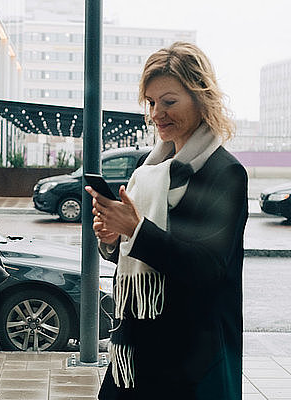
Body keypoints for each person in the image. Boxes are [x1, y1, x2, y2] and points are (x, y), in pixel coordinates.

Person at [86, 42, 248, 399]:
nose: (157, 112)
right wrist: (114, 239)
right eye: (152, 102)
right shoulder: (149, 169)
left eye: (169, 101)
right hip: (136, 347)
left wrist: (136, 229)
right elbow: (134, 257)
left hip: (194, 357)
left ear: (201, 98)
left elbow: (208, 267)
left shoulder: (226, 173)